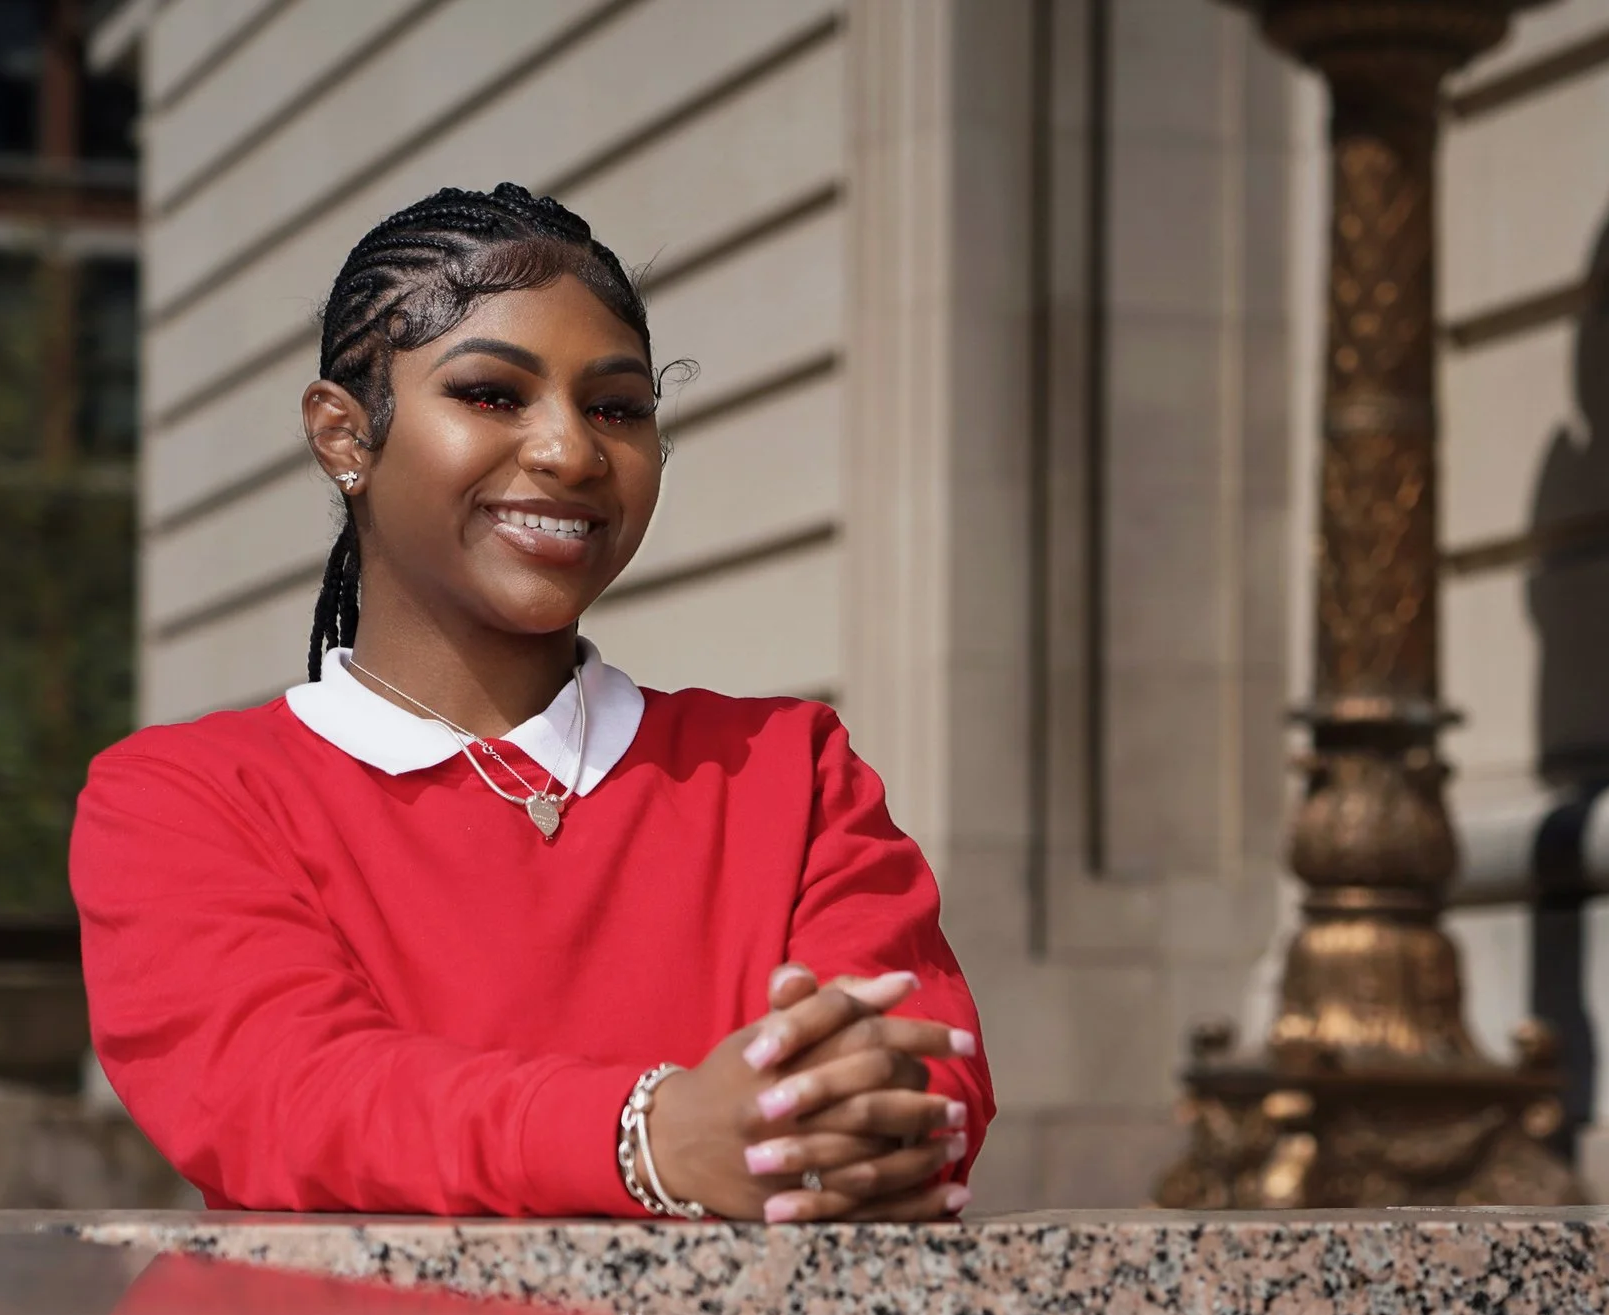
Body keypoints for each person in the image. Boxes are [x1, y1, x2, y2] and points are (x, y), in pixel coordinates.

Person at [70, 184, 991, 1222]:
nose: (570, 450)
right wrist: (650, 1135)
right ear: (343, 435)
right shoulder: (183, 798)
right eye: (492, 395)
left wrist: (852, 1124)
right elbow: (285, 1095)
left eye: (616, 407)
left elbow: (927, 1079)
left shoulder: (790, 767)